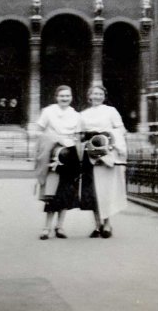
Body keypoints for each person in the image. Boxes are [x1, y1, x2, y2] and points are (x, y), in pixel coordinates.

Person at [79, 84, 127, 238]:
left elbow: (121, 129)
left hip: (106, 152)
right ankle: (97, 225)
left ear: (104, 96)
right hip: (90, 153)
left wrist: (111, 141)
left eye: (100, 94)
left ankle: (107, 224)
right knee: (93, 191)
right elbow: (79, 134)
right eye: (95, 94)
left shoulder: (110, 111)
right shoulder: (83, 114)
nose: (98, 96)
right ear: (89, 96)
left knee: (105, 189)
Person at [35, 85, 81, 240]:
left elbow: (78, 135)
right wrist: (52, 139)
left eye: (67, 96)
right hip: (53, 153)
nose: (65, 99)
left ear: (71, 97)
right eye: (62, 96)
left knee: (66, 191)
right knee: (52, 191)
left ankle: (60, 226)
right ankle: (46, 227)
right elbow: (39, 130)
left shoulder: (75, 114)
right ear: (56, 97)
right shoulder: (48, 111)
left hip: (70, 154)